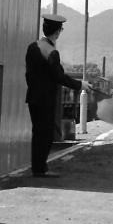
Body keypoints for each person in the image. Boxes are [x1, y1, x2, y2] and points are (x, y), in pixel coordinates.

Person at [25, 13, 91, 177]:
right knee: (46, 135)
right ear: (57, 32)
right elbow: (59, 77)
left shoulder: (32, 47)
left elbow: (28, 74)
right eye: (60, 29)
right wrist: (80, 84)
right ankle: (39, 169)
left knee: (38, 133)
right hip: (46, 99)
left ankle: (38, 167)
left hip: (33, 97)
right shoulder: (51, 52)